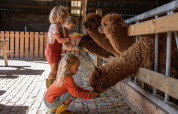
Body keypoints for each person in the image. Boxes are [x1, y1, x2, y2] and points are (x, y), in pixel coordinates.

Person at [45, 6, 80, 89]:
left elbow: (64, 43)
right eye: (62, 16)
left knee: (57, 70)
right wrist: (72, 37)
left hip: (56, 50)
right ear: (56, 16)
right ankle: (49, 91)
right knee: (53, 71)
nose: (64, 18)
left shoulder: (59, 26)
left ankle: (54, 88)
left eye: (65, 16)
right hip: (52, 50)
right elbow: (60, 40)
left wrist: (74, 46)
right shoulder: (54, 26)